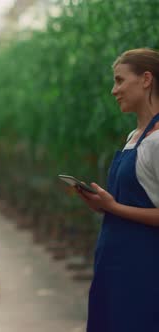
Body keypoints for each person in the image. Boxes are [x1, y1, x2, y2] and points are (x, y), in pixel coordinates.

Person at [76, 48, 159, 332]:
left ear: (146, 79)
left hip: (144, 270)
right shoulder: (134, 137)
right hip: (116, 265)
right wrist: (103, 205)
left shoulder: (158, 141)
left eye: (120, 80)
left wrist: (113, 207)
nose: (114, 90)